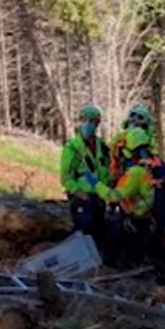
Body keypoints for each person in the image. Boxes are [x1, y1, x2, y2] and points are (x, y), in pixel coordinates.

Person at [92, 126, 165, 280]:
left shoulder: (135, 172)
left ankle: (109, 268)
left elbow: (114, 196)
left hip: (138, 221)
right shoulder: (156, 166)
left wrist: (95, 184)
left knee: (111, 232)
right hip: (153, 221)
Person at [60, 104, 110, 249]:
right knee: (83, 230)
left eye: (93, 121)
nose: (89, 124)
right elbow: (66, 177)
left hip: (99, 197)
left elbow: (105, 170)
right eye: (85, 120)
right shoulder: (72, 147)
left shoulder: (102, 146)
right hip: (82, 197)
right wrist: (78, 192)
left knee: (99, 233)